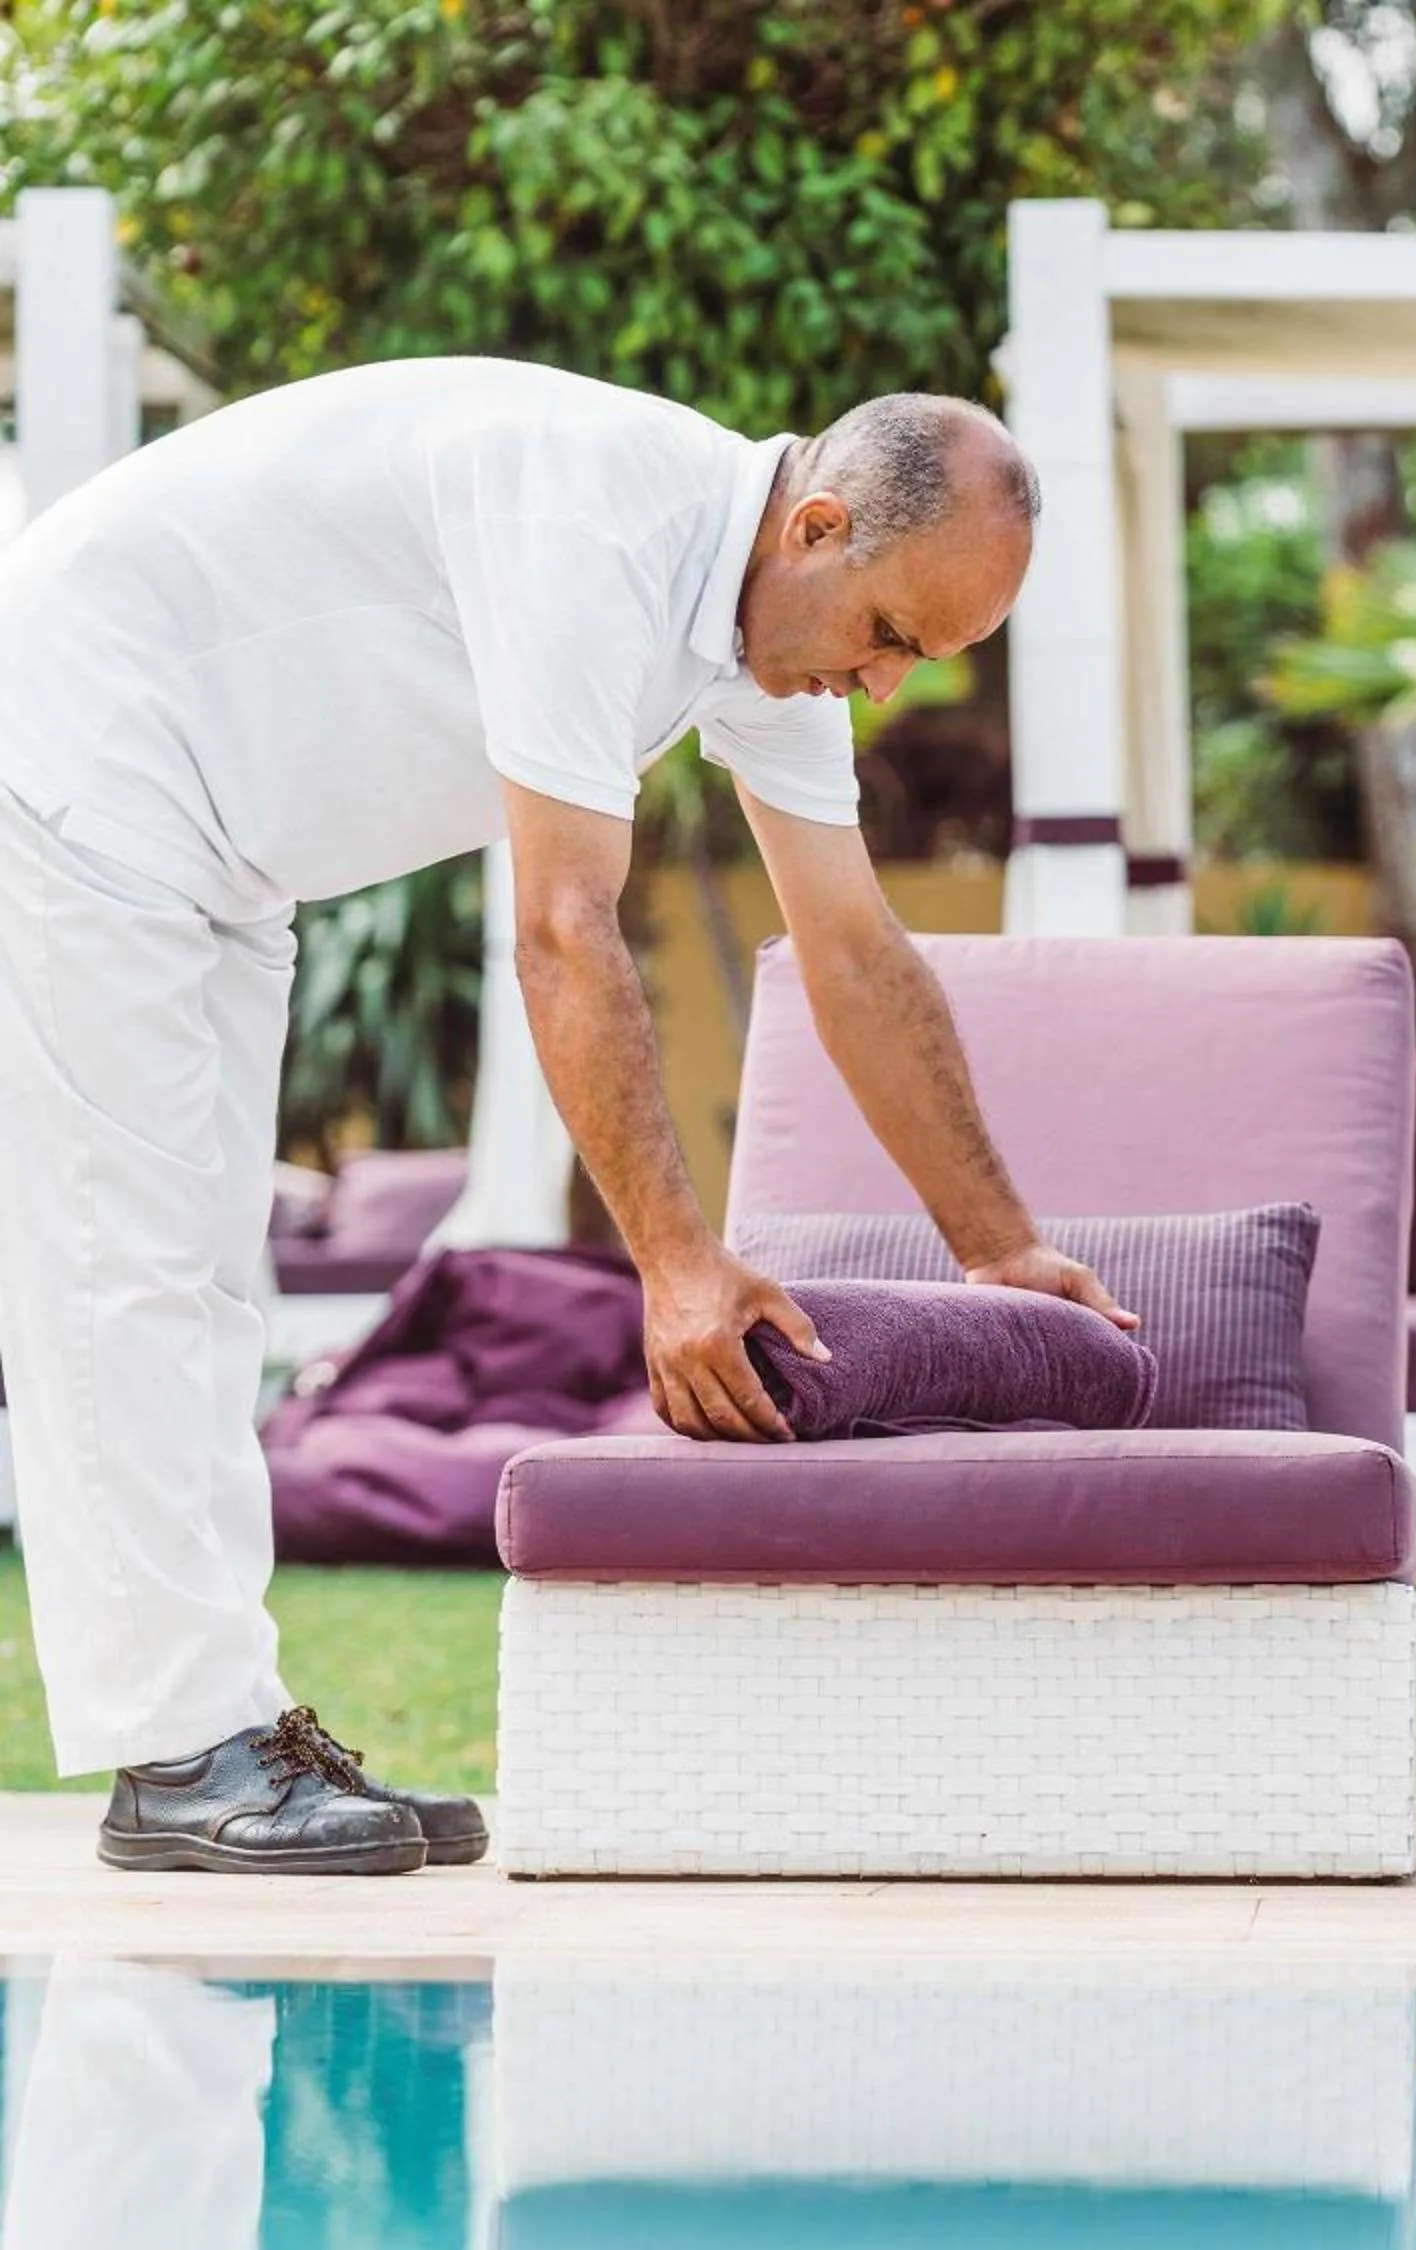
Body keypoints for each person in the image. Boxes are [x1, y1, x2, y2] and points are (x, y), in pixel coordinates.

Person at [0, 358, 1129, 1874]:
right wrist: (675, 1261)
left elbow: (856, 951)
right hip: (77, 748)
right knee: (119, 1257)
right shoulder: (601, 519)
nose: (882, 685)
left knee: (211, 1277)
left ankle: (229, 1728)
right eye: (886, 636)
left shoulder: (766, 635)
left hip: (213, 844)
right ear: (817, 524)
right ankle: (176, 1749)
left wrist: (1002, 1251)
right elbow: (562, 925)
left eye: (919, 659)